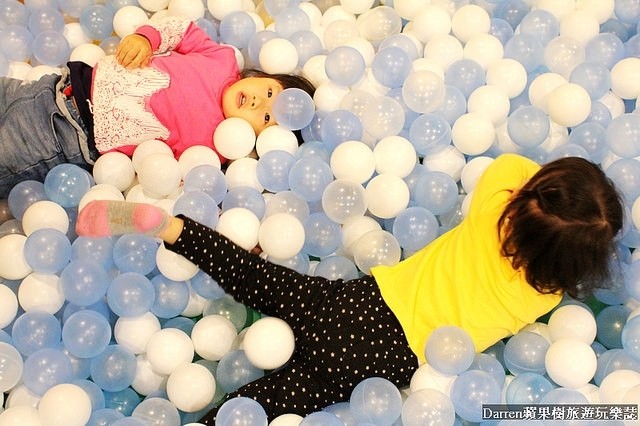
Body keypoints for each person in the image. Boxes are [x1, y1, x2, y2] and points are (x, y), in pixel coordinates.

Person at [75, 153, 624, 421]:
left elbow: (516, 167)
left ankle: (167, 226)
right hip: (383, 357)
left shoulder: (495, 203)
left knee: (254, 276)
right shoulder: (541, 295)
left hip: (358, 299)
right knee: (258, 407)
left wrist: (542, 194)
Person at [0, 15, 315, 198]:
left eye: (266, 116)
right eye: (270, 91)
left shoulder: (214, 149)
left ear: (258, 139)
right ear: (263, 76)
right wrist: (146, 39)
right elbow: (180, 30)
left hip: (67, 136)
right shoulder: (222, 60)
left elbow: (181, 182)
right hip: (60, 84)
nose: (259, 102)